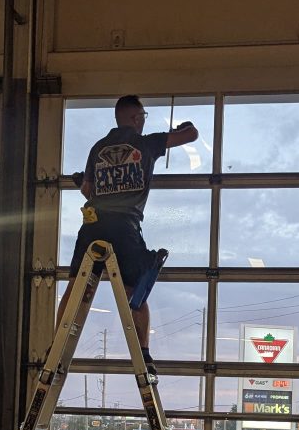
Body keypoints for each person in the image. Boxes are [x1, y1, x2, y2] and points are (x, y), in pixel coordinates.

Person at [57, 95, 199, 376]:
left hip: (93, 226)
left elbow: (87, 190)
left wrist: (89, 184)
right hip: (125, 228)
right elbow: (191, 135)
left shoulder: (98, 148)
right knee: (135, 292)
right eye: (143, 117)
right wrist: (184, 126)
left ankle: (57, 346)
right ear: (136, 118)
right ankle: (143, 353)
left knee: (76, 288)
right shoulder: (146, 144)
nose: (144, 122)